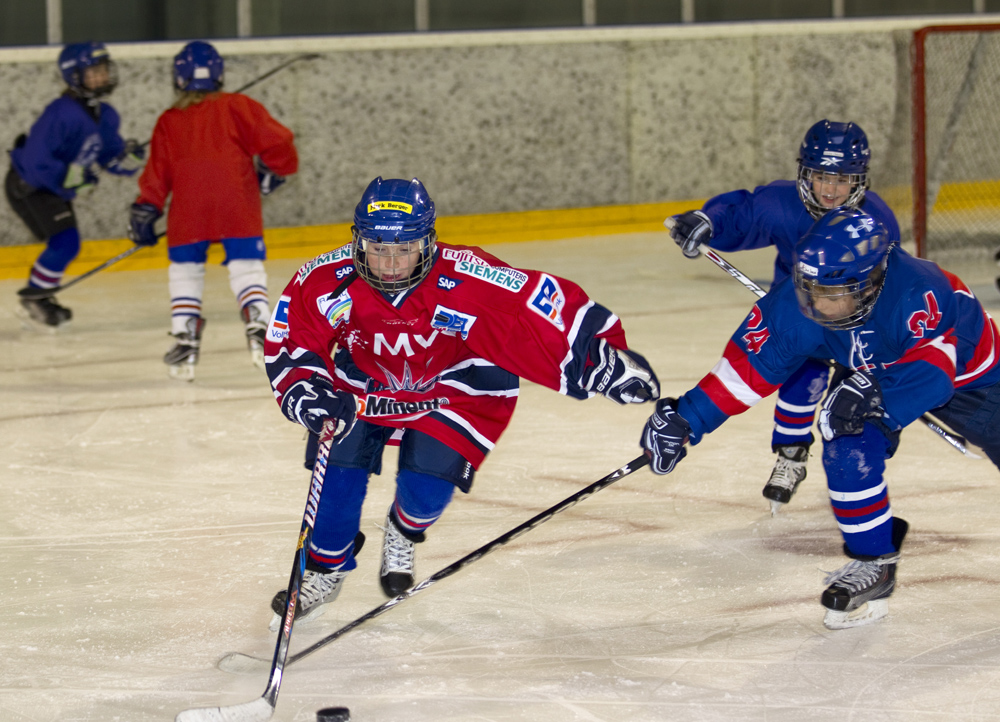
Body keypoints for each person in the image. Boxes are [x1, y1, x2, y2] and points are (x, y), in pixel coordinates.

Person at [262, 176, 659, 626]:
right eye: (377, 248)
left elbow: (538, 309)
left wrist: (600, 360)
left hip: (458, 387)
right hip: (364, 384)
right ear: (358, 241)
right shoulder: (324, 280)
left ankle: (404, 531)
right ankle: (325, 569)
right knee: (337, 470)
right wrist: (308, 392)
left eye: (404, 248)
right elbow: (292, 341)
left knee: (427, 488)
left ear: (427, 242)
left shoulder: (469, 275)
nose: (390, 264)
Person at [642, 207, 1000, 629]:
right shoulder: (801, 300)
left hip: (972, 383)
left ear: (871, 283)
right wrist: (688, 418)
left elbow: (934, 375)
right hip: (870, 366)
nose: (816, 305)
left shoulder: (920, 291)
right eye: (809, 289)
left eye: (833, 294)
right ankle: (874, 560)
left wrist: (876, 391)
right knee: (846, 440)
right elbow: (749, 367)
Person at [665, 120, 900, 513]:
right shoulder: (782, 203)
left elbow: (890, 292)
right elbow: (741, 214)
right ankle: (791, 455)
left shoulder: (878, 224)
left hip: (855, 320)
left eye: (842, 179)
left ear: (861, 180)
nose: (830, 189)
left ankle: (856, 475)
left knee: (852, 404)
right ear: (804, 173)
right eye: (821, 176)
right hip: (796, 307)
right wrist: (707, 222)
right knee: (799, 374)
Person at [129, 40, 298, 381]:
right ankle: (258, 326)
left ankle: (185, 338)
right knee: (247, 268)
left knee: (186, 271)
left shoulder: (169, 120)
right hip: (237, 202)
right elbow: (279, 141)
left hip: (189, 209)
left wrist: (146, 208)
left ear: (178, 78)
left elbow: (158, 172)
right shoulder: (239, 106)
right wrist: (274, 170)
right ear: (219, 75)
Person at [5, 41, 143, 329]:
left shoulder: (106, 115)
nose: (101, 76)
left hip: (52, 186)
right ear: (74, 76)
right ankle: (37, 296)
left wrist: (126, 159)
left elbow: (108, 156)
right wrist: (70, 176)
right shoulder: (62, 112)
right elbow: (35, 159)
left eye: (103, 70)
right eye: (93, 72)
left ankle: (40, 294)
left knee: (65, 244)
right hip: (29, 184)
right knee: (66, 243)